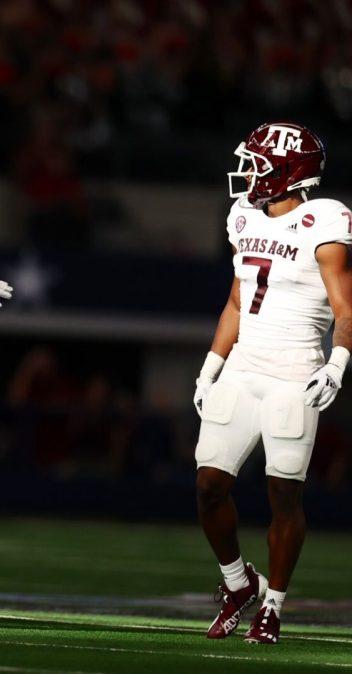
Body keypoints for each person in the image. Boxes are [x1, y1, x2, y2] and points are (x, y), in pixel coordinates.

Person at [192, 122, 352, 645]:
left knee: (284, 496)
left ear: (289, 172)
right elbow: (238, 300)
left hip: (294, 373)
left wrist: (337, 362)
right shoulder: (243, 216)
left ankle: (274, 606)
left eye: (258, 163)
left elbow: (345, 306)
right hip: (243, 366)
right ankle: (238, 585)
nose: (247, 172)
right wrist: (212, 364)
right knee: (209, 486)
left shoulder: (322, 219)